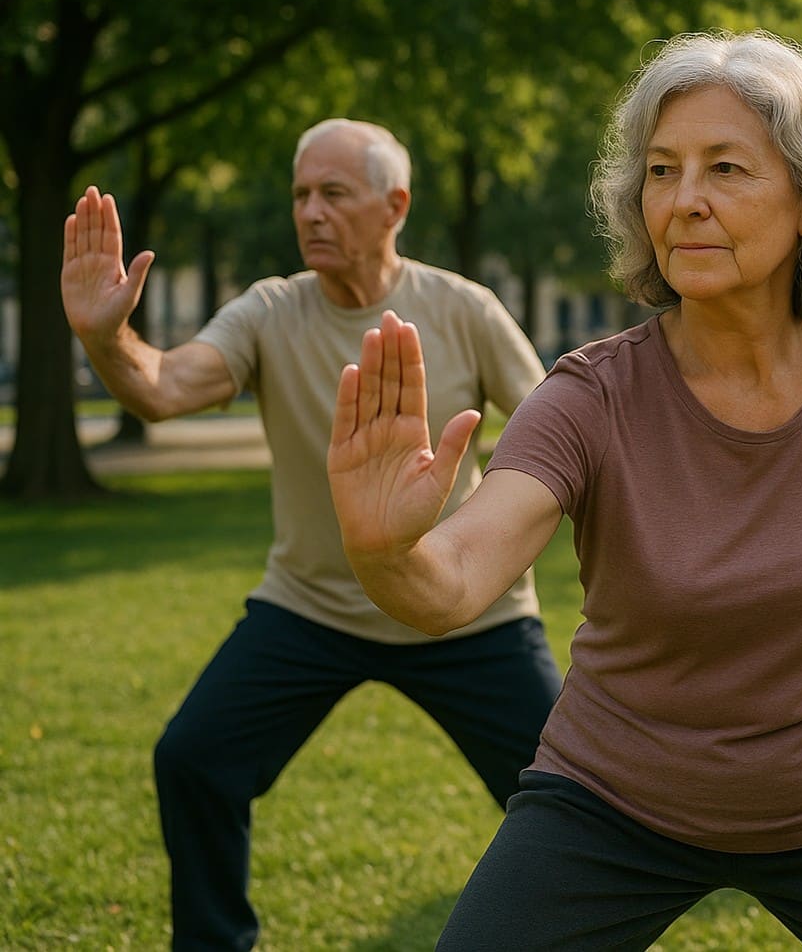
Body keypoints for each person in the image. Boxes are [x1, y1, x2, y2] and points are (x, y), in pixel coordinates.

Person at [327, 31, 802, 949]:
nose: (685, 202)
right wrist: (382, 549)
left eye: (726, 169)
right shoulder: (589, 395)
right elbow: (451, 585)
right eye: (661, 171)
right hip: (612, 803)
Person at [59, 119, 563, 951]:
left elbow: (553, 429)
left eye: (334, 192)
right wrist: (105, 336)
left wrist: (479, 533)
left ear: (395, 205)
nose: (311, 212)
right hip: (311, 610)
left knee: (567, 794)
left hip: (465, 614)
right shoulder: (269, 310)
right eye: (300, 194)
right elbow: (162, 388)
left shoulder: (464, 309)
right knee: (194, 759)